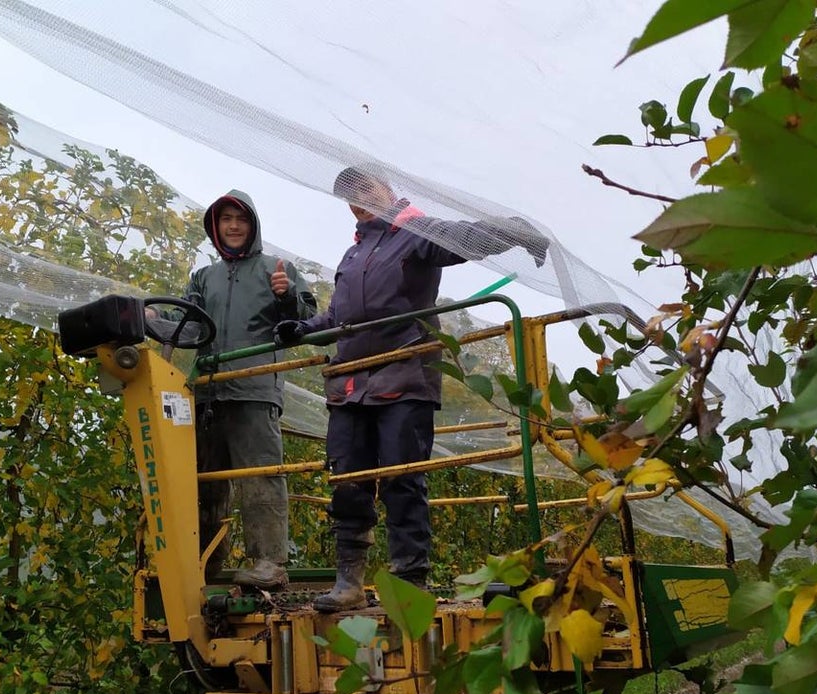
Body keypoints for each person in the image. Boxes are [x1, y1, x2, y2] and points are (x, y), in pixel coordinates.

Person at [275, 166, 549, 612]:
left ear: (388, 189)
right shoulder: (352, 256)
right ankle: (349, 582)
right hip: (350, 383)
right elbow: (338, 319)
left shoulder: (415, 232)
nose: (360, 199)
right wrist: (301, 328)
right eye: (351, 195)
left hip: (404, 378)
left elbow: (463, 238)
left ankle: (409, 581)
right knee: (347, 481)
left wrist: (515, 232)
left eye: (366, 187)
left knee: (402, 479)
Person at [171, 190, 317, 589]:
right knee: (204, 481)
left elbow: (307, 319)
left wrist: (286, 298)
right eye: (225, 220)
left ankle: (269, 562)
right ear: (215, 228)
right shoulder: (204, 277)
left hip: (253, 390)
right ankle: (205, 564)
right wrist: (153, 316)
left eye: (241, 219)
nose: (233, 226)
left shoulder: (276, 268)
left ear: (252, 226)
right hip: (206, 392)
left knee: (261, 476)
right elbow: (187, 321)